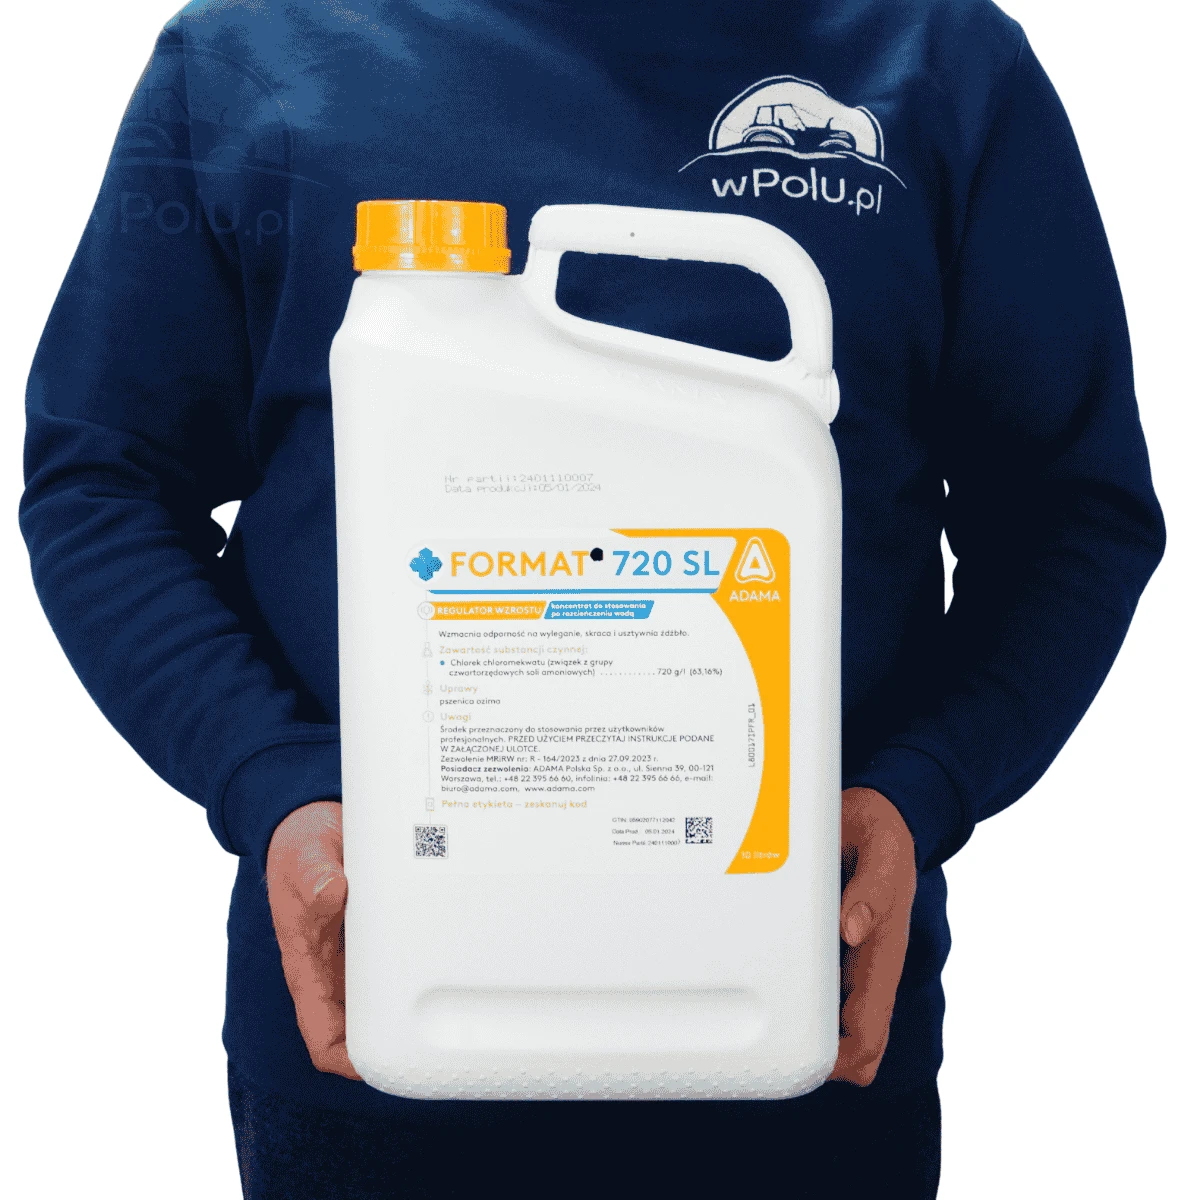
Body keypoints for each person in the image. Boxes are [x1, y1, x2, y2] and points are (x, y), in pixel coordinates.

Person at [21, 1, 1164, 1196]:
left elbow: (1069, 512)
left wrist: (920, 788)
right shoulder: (256, 54)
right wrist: (270, 779)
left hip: (800, 1025)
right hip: (380, 1042)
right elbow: (104, 479)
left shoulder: (937, 60)